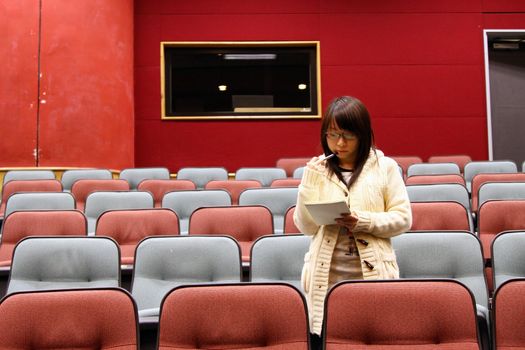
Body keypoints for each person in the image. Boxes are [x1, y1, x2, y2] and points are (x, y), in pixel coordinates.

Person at [294, 96, 412, 339]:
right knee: (327, 336)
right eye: (332, 135)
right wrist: (307, 185)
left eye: (347, 135)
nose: (339, 143)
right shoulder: (318, 170)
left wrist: (363, 222)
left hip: (372, 272)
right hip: (325, 275)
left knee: (373, 336)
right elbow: (306, 227)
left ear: (362, 134)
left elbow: (403, 218)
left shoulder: (385, 167)